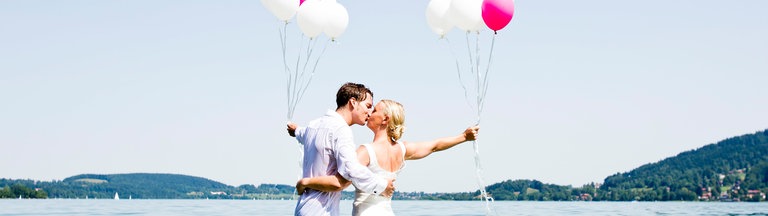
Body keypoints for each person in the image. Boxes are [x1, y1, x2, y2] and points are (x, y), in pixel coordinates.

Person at [289, 99, 479, 216]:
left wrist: (306, 182)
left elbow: (340, 182)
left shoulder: (365, 152)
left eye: (375, 110)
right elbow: (434, 146)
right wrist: (464, 137)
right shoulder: (402, 150)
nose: (370, 113)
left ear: (385, 119)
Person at [287, 82, 396, 216]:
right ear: (353, 102)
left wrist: (295, 130)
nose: (369, 112)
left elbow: (302, 133)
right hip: (322, 211)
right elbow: (351, 171)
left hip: (303, 208)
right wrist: (382, 186)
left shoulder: (313, 126)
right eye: (367, 106)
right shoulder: (341, 130)